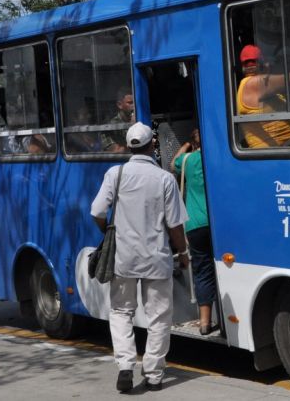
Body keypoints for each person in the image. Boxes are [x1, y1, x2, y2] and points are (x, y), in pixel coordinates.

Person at [90, 122, 189, 393]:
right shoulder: (165, 179)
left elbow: (97, 211)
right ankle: (154, 375)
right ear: (152, 146)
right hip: (157, 259)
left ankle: (125, 365)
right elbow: (175, 224)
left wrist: (108, 230)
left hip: (123, 258)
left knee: (121, 311)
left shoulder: (116, 174)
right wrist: (183, 253)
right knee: (159, 317)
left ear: (129, 145)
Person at [171, 128, 217, 335]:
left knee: (203, 271)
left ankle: (205, 322)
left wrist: (186, 146)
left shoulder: (188, 161)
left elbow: (173, 163)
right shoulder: (216, 157)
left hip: (196, 224)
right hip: (218, 222)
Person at [235, 45, 290, 148]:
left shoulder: (261, 86)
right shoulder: (252, 83)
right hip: (272, 155)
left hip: (283, 150)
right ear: (262, 64)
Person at [101, 87, 135, 153]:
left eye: (135, 102)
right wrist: (133, 128)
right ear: (120, 105)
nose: (133, 106)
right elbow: (116, 150)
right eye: (130, 103)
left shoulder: (141, 119)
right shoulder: (110, 126)